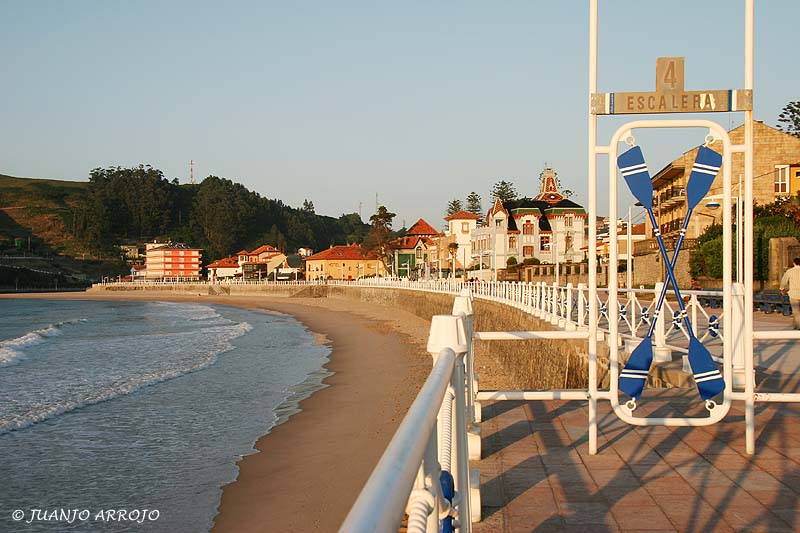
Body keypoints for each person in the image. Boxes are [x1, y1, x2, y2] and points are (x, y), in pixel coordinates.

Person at [779, 257, 800, 330]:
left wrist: (782, 289)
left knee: (796, 311)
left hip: (793, 294)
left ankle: (798, 326)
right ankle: (797, 324)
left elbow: (784, 281)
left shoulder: (789, 271)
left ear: (794, 263)